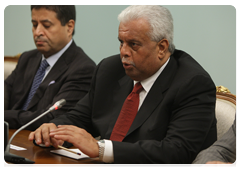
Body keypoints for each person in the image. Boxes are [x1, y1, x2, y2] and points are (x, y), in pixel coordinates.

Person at [29, 5, 217, 166]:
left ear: (161, 48)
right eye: (121, 42)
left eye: (133, 44)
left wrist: (101, 149)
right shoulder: (109, 70)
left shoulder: (192, 83)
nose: (123, 52)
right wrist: (53, 129)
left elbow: (176, 152)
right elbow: (80, 118)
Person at [4, 5, 96, 131]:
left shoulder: (83, 69)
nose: (37, 32)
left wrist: (4, 116)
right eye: (35, 25)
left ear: (69, 27)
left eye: (46, 26)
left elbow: (51, 118)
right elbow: (5, 91)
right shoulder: (27, 58)